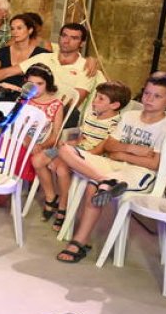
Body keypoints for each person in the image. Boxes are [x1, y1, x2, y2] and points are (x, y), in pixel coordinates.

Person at [55, 73, 166, 263]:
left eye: (157, 96)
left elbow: (155, 164)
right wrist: (134, 149)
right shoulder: (130, 116)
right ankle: (104, 180)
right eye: (147, 93)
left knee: (94, 186)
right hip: (111, 164)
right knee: (65, 150)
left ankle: (79, 242)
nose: (149, 99)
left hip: (140, 173)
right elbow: (109, 146)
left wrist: (121, 153)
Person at [42, 81, 131, 231]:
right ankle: (52, 197)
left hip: (89, 157)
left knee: (61, 169)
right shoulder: (92, 115)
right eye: (96, 96)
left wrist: (74, 152)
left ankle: (63, 208)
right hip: (77, 150)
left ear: (115, 105)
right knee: (39, 160)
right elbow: (82, 137)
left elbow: (101, 149)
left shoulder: (115, 124)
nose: (95, 101)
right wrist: (72, 143)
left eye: (101, 98)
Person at [0, 23, 92, 112]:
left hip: (56, 113)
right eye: (64, 36)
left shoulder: (86, 67)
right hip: (30, 106)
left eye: (74, 38)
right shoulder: (44, 57)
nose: (67, 41)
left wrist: (47, 110)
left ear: (82, 43)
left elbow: (74, 102)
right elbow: (8, 72)